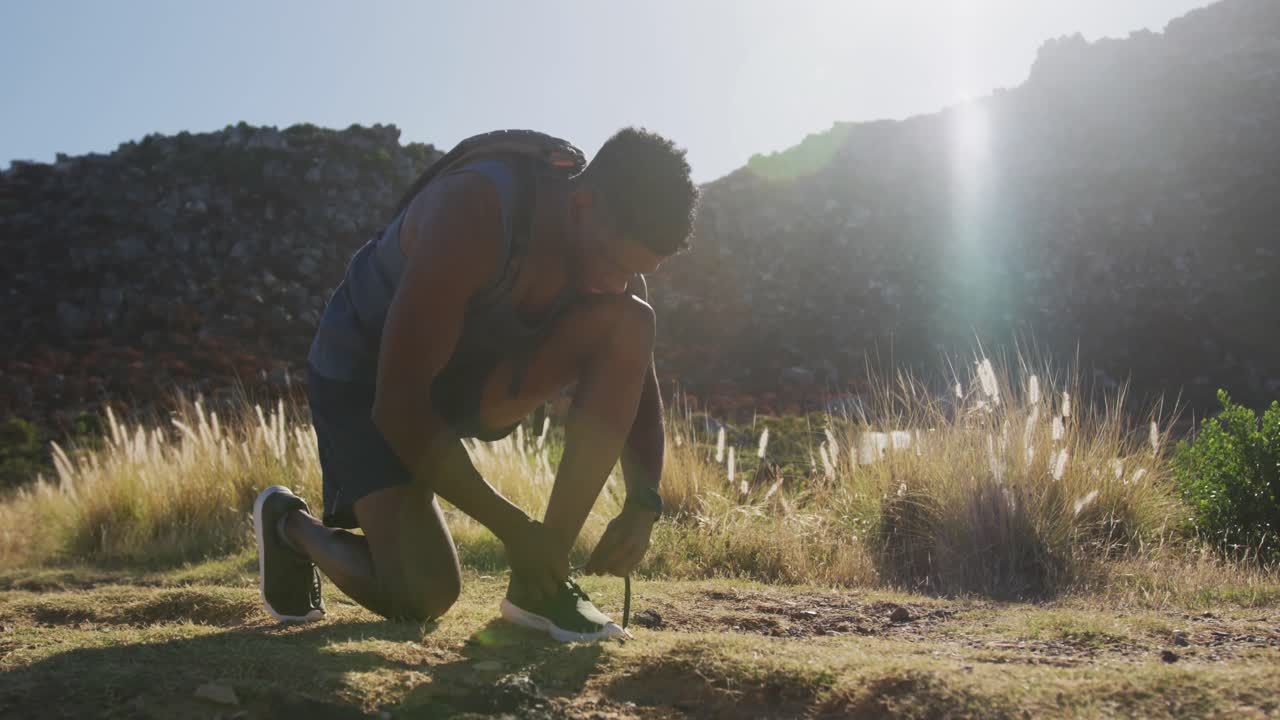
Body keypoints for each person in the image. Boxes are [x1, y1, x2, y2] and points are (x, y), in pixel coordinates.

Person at [251, 127, 699, 641]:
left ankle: (540, 589)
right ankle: (291, 528)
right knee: (421, 594)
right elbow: (398, 405)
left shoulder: (607, 256)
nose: (617, 284)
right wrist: (514, 530)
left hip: (471, 374)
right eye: (615, 264)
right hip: (367, 377)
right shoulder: (474, 211)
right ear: (582, 201)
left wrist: (644, 501)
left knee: (631, 320)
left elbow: (634, 368)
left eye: (636, 271)